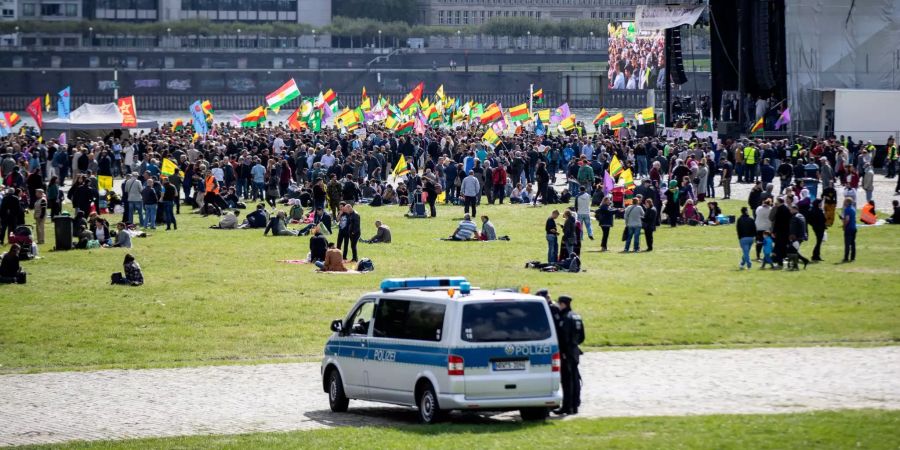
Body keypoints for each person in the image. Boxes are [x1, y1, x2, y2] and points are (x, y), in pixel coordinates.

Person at [553, 295, 584, 416]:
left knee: (567, 381)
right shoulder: (577, 316)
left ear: (563, 304)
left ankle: (567, 407)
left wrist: (564, 352)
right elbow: (582, 337)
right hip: (575, 351)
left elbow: (564, 338)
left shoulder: (565, 318)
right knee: (575, 379)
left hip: (566, 353)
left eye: (559, 304)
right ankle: (575, 405)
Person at [788, 205, 810, 270]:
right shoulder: (802, 216)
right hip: (801, 236)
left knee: (791, 251)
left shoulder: (795, 217)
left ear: (795, 209)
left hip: (796, 237)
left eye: (791, 210)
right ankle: (804, 261)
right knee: (793, 251)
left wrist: (791, 236)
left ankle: (795, 266)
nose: (790, 211)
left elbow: (793, 228)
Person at [841, 198, 856, 263]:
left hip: (849, 228)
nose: (844, 203)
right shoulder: (853, 209)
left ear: (847, 202)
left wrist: (844, 226)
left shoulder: (847, 209)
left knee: (847, 244)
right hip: (854, 228)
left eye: (845, 202)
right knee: (853, 243)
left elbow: (847, 219)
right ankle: (853, 257)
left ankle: (846, 258)